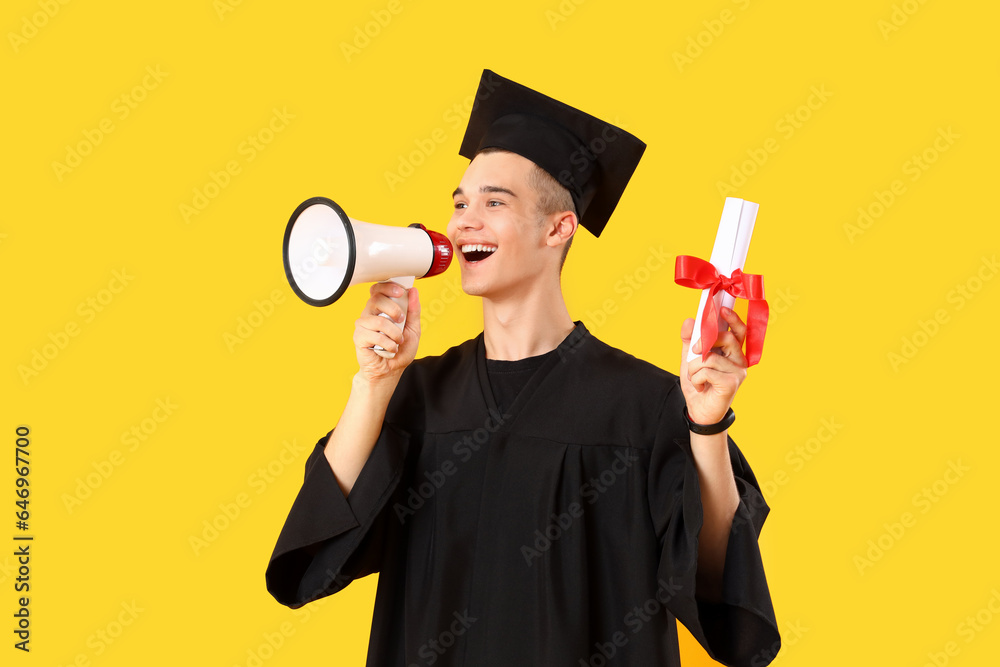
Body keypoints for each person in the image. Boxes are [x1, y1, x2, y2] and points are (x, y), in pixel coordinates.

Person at [265, 69, 780, 667]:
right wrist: (374, 384)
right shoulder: (420, 396)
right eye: (459, 204)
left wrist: (707, 427)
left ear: (560, 228)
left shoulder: (646, 404)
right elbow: (314, 550)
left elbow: (718, 581)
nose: (463, 223)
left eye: (493, 202)